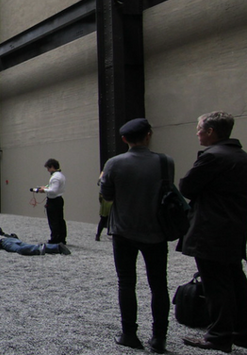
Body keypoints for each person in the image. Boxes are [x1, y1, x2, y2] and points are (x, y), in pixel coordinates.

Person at [99, 118, 173, 353]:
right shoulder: (165, 161)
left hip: (124, 231)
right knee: (159, 284)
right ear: (149, 135)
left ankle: (129, 333)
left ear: (124, 139)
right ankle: (159, 337)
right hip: (156, 230)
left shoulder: (114, 163)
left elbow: (107, 197)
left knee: (127, 282)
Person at [178, 111, 247, 353]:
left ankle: (219, 336)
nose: (197, 133)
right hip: (234, 227)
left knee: (216, 284)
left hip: (210, 228)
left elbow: (187, 186)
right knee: (235, 280)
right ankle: (241, 330)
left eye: (199, 129)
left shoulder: (212, 158)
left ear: (210, 132)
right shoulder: (241, 156)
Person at [34, 158, 67, 245]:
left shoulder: (55, 177)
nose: (48, 170)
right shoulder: (61, 175)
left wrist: (43, 190)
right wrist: (46, 188)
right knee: (60, 219)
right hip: (59, 199)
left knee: (53, 220)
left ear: (52, 167)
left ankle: (55, 239)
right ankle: (62, 238)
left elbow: (54, 190)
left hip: (53, 201)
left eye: (48, 168)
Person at [95, 172, 112, 241]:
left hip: (105, 198)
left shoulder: (103, 175)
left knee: (104, 218)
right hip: (109, 198)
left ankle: (98, 234)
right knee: (106, 218)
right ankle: (99, 234)